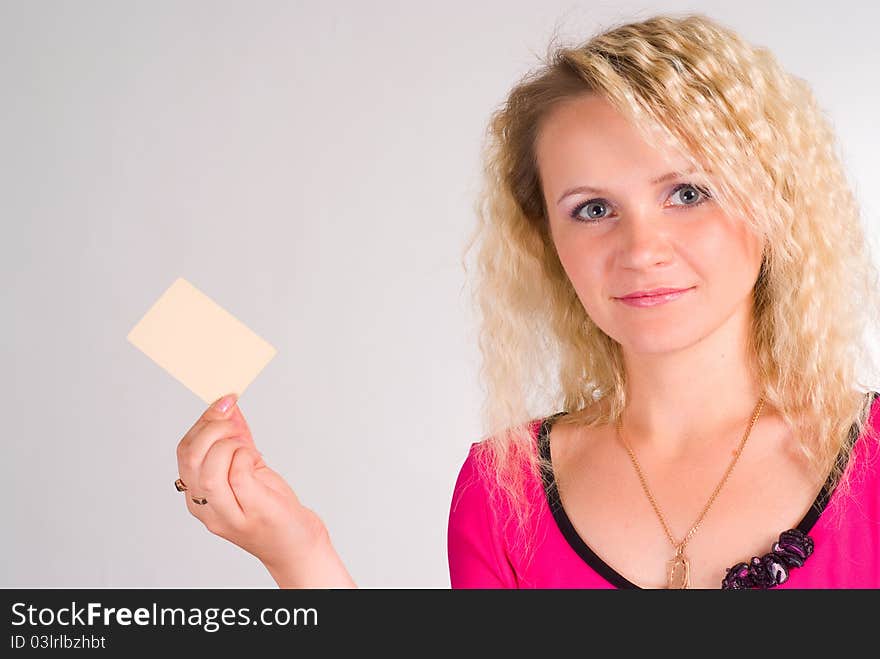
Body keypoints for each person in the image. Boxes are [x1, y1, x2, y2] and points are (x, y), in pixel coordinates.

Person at [173, 13, 880, 589]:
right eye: (593, 208)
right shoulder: (503, 490)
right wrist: (299, 552)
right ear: (547, 239)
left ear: (774, 203)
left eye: (688, 193)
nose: (641, 246)